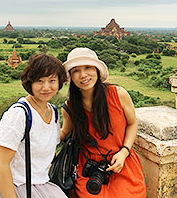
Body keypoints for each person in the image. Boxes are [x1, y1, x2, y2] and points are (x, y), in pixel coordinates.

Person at [0, 54, 68, 198]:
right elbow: (1, 164)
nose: (46, 87)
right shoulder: (19, 114)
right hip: (8, 184)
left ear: (59, 82)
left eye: (52, 80)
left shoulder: (52, 111)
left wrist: (74, 119)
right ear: (29, 83)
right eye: (39, 81)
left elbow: (48, 138)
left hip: (36, 182)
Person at [60, 48, 146, 198]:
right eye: (76, 71)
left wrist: (124, 151)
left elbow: (132, 124)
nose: (83, 75)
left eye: (88, 68)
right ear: (71, 76)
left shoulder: (118, 94)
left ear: (97, 70)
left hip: (120, 163)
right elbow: (63, 133)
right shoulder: (70, 107)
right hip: (88, 168)